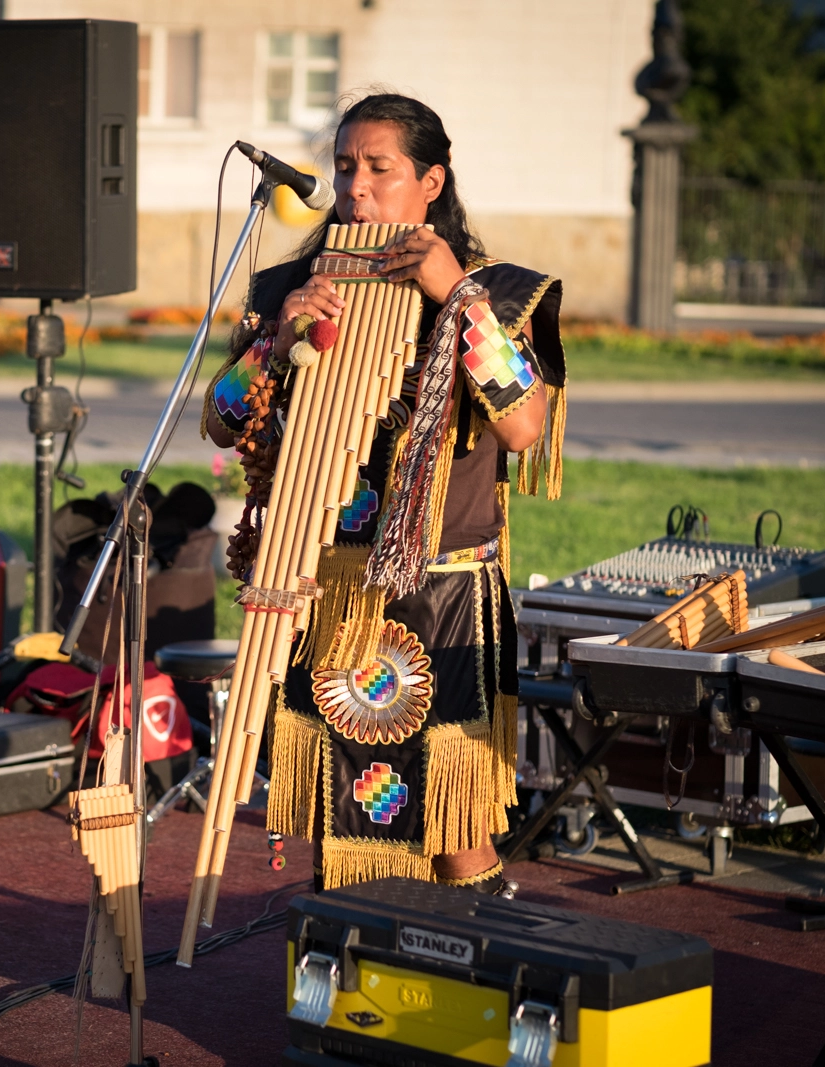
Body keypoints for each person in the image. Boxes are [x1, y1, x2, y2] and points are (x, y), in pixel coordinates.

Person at [203, 93, 567, 897]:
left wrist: (456, 296)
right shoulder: (287, 286)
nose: (355, 187)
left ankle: (480, 975)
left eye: (379, 169)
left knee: (452, 820)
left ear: (431, 181)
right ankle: (357, 992)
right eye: (343, 167)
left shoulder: (498, 292)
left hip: (442, 589)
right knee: (348, 811)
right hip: (327, 581)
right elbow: (224, 421)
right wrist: (273, 341)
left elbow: (525, 425)